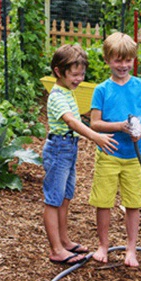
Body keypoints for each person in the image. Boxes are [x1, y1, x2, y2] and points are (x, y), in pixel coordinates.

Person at [88, 31, 141, 268]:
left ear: (133, 60)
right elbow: (95, 123)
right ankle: (103, 246)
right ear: (107, 60)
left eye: (128, 60)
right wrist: (120, 126)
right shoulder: (102, 90)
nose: (123, 65)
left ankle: (131, 249)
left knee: (133, 203)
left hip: (133, 157)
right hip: (109, 153)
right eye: (118, 60)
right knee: (104, 202)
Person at [43, 43, 119, 266]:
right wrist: (95, 136)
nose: (79, 79)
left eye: (82, 74)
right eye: (75, 74)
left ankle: (64, 241)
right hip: (58, 150)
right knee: (53, 201)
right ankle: (56, 249)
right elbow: (72, 122)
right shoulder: (57, 95)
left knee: (65, 198)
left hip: (68, 150)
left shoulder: (68, 91)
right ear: (59, 71)